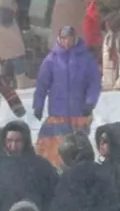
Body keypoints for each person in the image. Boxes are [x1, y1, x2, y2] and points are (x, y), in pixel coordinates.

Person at [33, 26, 101, 166]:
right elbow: (42, 84)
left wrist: (90, 103)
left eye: (69, 38)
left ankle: (81, 170)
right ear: (59, 39)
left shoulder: (86, 58)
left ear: (74, 38)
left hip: (80, 112)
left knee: (79, 145)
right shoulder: (51, 60)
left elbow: (94, 83)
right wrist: (38, 105)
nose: (67, 42)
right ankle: (58, 170)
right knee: (59, 145)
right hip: (58, 112)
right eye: (64, 38)